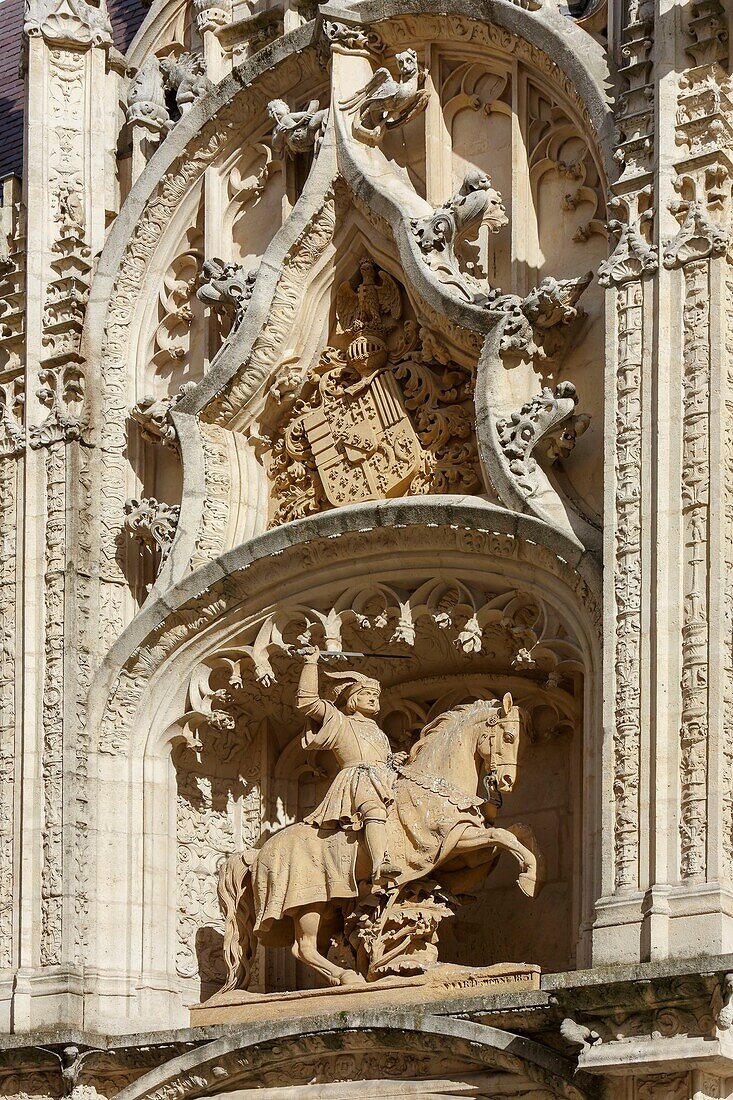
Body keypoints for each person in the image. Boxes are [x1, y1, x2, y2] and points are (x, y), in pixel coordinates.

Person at [295, 647, 402, 887]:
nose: (374, 698)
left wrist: (394, 762)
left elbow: (383, 760)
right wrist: (311, 664)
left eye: (376, 695)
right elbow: (307, 703)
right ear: (354, 699)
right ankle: (379, 865)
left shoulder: (379, 731)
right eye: (367, 694)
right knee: (374, 810)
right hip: (359, 779)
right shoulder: (340, 721)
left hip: (383, 779)